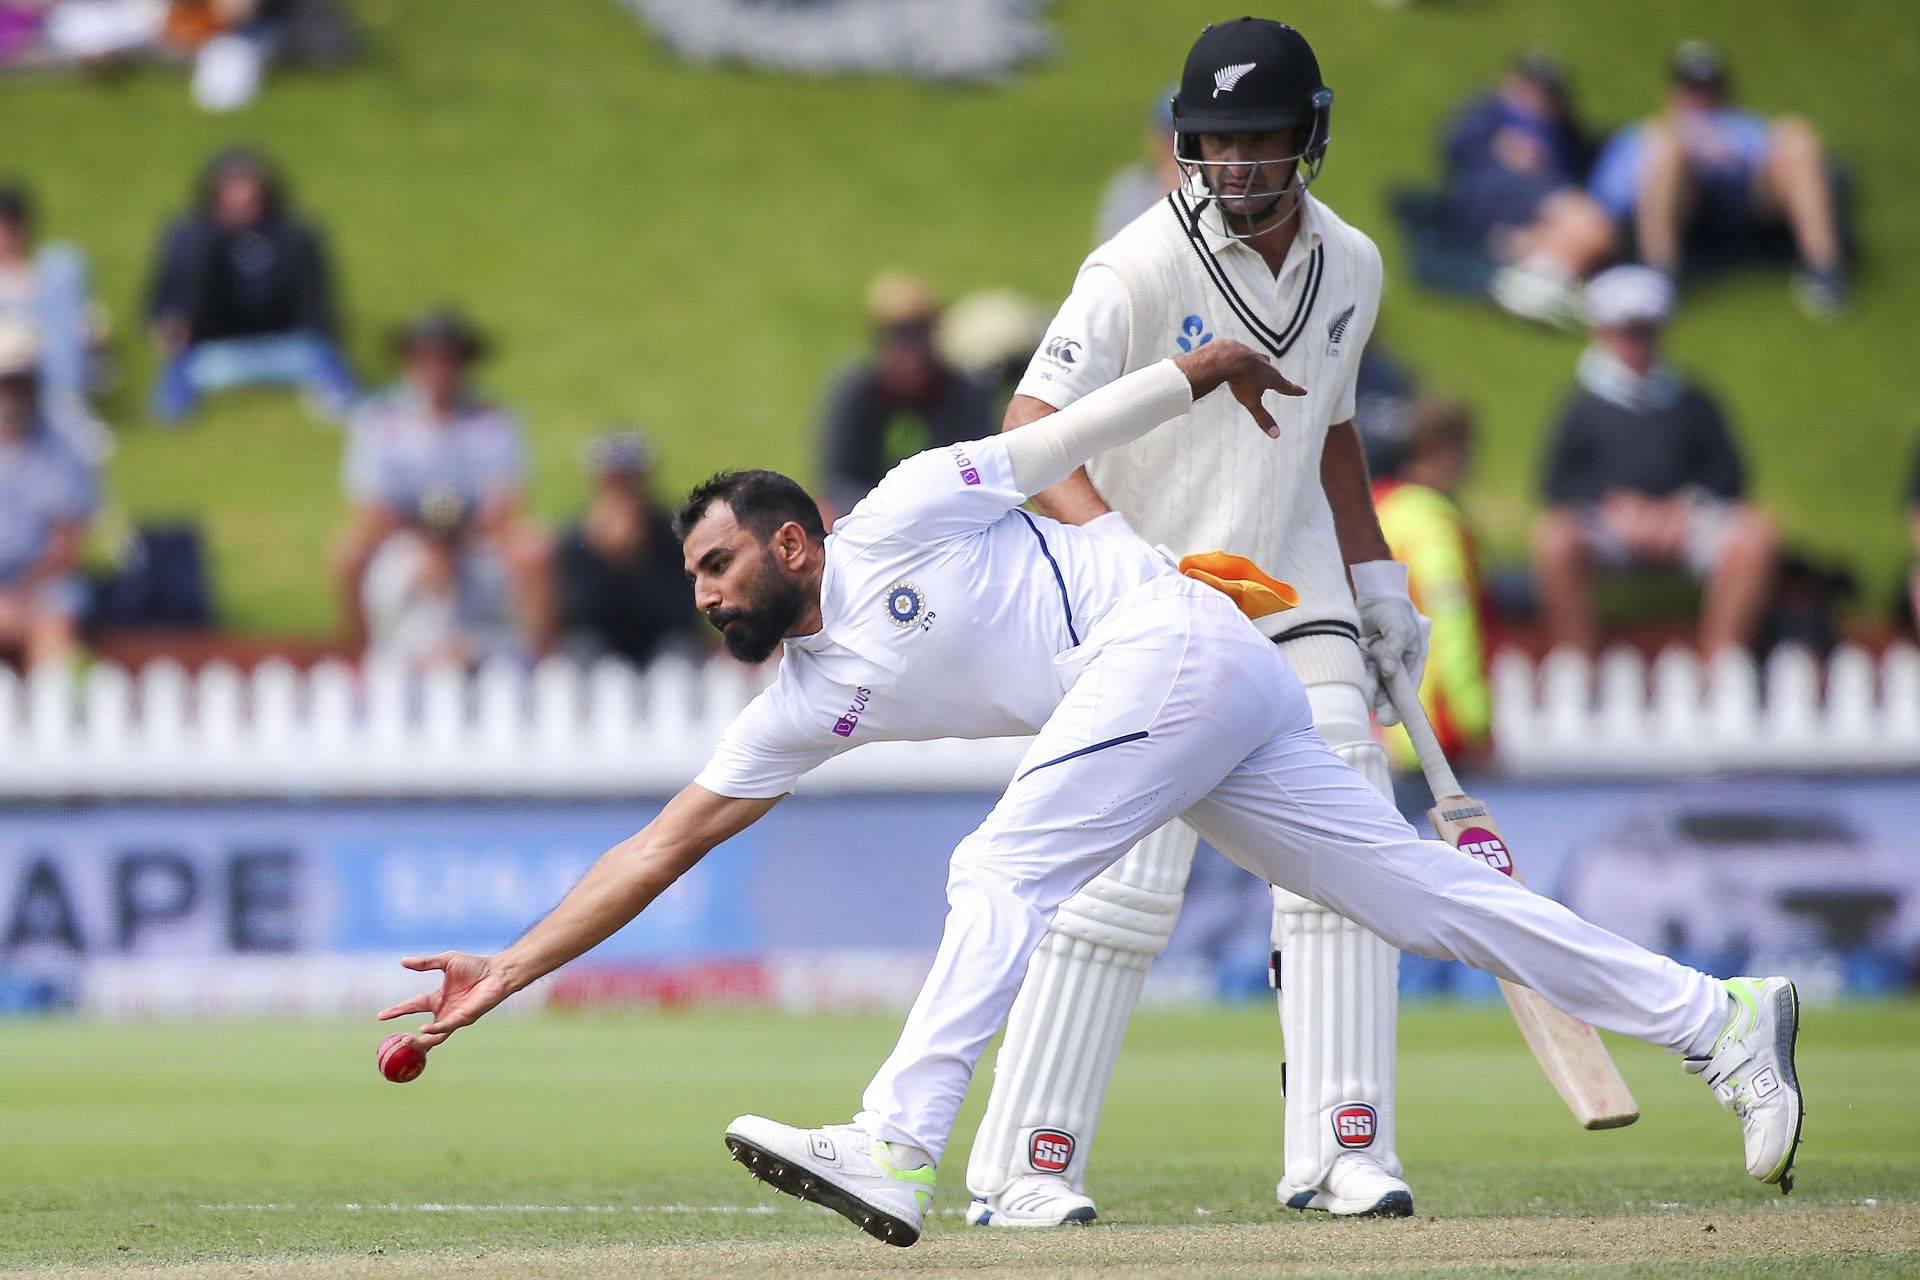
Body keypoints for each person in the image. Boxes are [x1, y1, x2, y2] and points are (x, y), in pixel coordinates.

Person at [378, 342, 1805, 1250]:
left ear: (798, 546)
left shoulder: (913, 504)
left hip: (1175, 641)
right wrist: (507, 967)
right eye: (693, 579)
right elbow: (659, 846)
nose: (700, 597)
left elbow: (1060, 437)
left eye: (716, 568)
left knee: (999, 871)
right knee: (1426, 903)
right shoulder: (800, 703)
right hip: (1197, 696)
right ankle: (1721, 1018)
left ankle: (898, 1143)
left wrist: (1215, 366)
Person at [969, 18, 1422, 1227]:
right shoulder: (1134, 268)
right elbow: (1029, 428)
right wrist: (1120, 563)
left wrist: (1376, 581)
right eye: (1214, 142)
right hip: (1155, 610)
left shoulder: (1356, 267)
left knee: (1350, 863)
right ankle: (1027, 1163)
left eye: (1259, 141)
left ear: (1306, 138)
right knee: (1120, 885)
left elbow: (1332, 426)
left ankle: (1343, 1147)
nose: (1235, 166)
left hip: (1294, 604)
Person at [1531, 265, 1776, 657]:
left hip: (1686, 524)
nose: (1637, 342)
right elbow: (1556, 483)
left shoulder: (1694, 400)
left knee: (1755, 536)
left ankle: (1720, 666)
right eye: (1627, 332)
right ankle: (1581, 664)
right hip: (1611, 528)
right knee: (1555, 539)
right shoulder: (1580, 406)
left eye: (1646, 331)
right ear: (1603, 333)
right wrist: (1616, 507)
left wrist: (1684, 507)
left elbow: (1729, 473)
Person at [332, 308, 552, 666]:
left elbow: (505, 500)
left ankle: (542, 659)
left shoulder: (494, 420)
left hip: (477, 536)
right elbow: (373, 505)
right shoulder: (380, 420)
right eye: (427, 357)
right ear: (409, 362)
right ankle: (357, 659)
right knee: (347, 554)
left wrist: (455, 543)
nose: (438, 369)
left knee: (534, 549)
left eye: (448, 358)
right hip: (403, 535)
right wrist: (428, 542)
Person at [1588, 40, 1848, 319]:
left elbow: (1797, 166)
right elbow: (1611, 198)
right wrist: (1687, 151)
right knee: (1668, 148)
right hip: (1679, 214)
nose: (1701, 100)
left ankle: (1823, 268)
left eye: (1710, 90)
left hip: (1746, 206)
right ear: (1670, 94)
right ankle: (1662, 274)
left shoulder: (1742, 127)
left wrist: (1729, 154)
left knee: (1797, 133)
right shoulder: (1646, 137)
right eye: (1692, 90)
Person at [144, 146, 357, 424]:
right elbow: (168, 304)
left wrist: (323, 329)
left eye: (249, 186)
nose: (242, 197)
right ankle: (170, 415)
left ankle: (343, 403)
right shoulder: (190, 238)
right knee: (178, 371)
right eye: (232, 187)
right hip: (213, 350)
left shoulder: (296, 235)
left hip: (286, 345)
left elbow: (316, 304)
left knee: (322, 354)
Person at [1438, 52, 1616, 326]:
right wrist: (1502, 145)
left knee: (1592, 235)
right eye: (1530, 86)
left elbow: (1594, 150)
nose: (1538, 97)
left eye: (1547, 91)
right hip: (1502, 190)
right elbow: (1452, 147)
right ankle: (1540, 283)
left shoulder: (1563, 131)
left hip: (1542, 196)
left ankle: (1532, 271)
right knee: (1591, 226)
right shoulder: (1491, 113)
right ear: (1511, 83)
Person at [814, 270, 992, 524]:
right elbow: (836, 481)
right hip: (868, 518)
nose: (909, 353)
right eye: (897, 336)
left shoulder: (964, 394)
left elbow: (979, 475)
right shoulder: (853, 393)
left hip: (945, 520)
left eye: (917, 334)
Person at [1373, 400, 1491, 769]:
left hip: (1378, 717)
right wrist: (1473, 720)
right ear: (1446, 451)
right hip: (1430, 727)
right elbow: (1451, 622)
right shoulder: (1432, 524)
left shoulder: (1382, 508)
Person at [554, 429, 700, 669]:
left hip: (662, 643)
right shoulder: (577, 538)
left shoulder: (675, 533)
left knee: (679, 654)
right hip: (598, 647)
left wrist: (636, 560)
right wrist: (609, 560)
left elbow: (681, 612)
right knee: (578, 651)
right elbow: (576, 615)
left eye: (629, 479)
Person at [0, 326, 96, 672]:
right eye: (6, 382)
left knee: (54, 618)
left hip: (42, 584)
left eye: (19, 381)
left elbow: (67, 545)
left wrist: (18, 595)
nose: (11, 394)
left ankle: (58, 717)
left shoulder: (63, 445)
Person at [0, 182, 108, 459]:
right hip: (11, 363)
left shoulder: (52, 270)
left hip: (51, 363)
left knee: (65, 265)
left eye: (9, 228)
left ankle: (65, 407)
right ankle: (63, 413)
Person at [1093, 86, 1182, 245]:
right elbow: (1106, 250)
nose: (1175, 147)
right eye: (1169, 138)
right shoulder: (1128, 189)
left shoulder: (1216, 189)